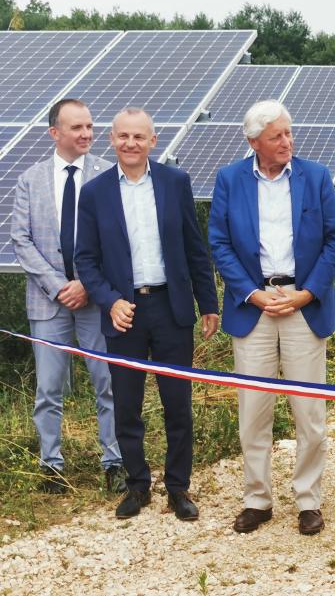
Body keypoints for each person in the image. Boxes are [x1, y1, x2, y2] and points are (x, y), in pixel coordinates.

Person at [75, 107, 219, 521]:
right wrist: (109, 300)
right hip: (124, 312)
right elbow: (86, 259)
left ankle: (178, 488)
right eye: (123, 136)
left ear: (153, 141)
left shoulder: (175, 183)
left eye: (139, 137)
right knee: (127, 405)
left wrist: (207, 303)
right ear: (112, 139)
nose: (131, 143)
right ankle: (137, 486)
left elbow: (195, 248)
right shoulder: (96, 192)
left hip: (171, 308)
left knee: (178, 404)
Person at [208, 100, 335, 536]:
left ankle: (308, 500)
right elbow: (219, 243)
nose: (287, 142)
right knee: (253, 410)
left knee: (309, 412)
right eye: (276, 136)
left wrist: (306, 293)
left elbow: (334, 241)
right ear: (254, 143)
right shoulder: (230, 179)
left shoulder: (316, 176)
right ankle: (257, 499)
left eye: (288, 133)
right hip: (255, 305)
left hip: (303, 302)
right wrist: (252, 293)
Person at [11, 99, 125, 494]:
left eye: (90, 127)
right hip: (48, 301)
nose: (86, 135)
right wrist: (58, 285)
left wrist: (87, 284)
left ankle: (114, 461)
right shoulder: (31, 179)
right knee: (49, 387)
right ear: (54, 133)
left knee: (107, 381)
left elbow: (115, 238)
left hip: (95, 300)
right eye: (77, 128)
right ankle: (51, 464)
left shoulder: (107, 176)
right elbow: (21, 240)